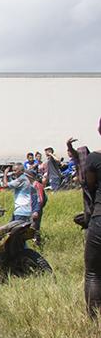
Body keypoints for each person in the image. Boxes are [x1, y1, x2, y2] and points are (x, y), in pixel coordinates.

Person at [68, 124, 101, 318]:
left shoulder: (94, 158)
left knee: (94, 273)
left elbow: (90, 184)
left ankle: (94, 319)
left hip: (99, 218)